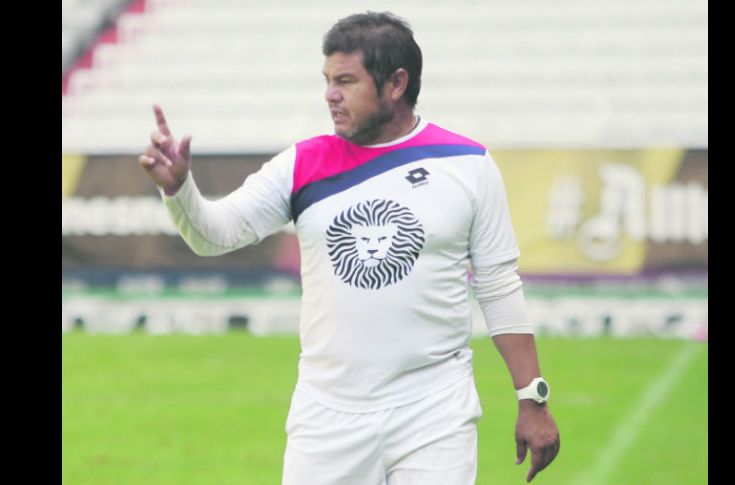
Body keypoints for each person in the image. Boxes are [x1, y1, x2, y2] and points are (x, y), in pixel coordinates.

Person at [139, 11, 559, 485]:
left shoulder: (467, 164)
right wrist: (179, 190)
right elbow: (215, 234)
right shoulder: (301, 164)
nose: (330, 95)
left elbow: (498, 286)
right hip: (326, 417)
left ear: (396, 83)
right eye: (327, 81)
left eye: (345, 81)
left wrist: (532, 398)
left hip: (435, 411)